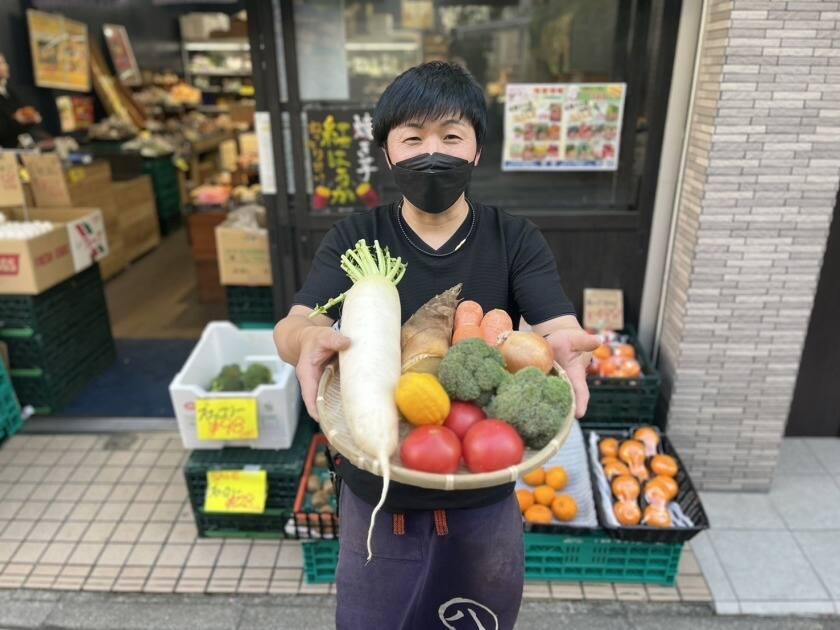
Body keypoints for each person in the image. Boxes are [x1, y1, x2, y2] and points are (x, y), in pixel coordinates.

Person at [274, 61, 601, 630]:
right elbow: (292, 325)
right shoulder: (357, 237)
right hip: (375, 487)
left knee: (477, 617)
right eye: (413, 138)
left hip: (482, 481)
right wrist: (305, 339)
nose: (433, 152)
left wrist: (566, 342)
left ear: (476, 151)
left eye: (451, 136)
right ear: (388, 152)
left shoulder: (513, 238)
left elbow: (554, 324)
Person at [0, 53, 44, 148]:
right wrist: (16, 120)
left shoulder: (9, 92)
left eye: (4, 62)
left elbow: (21, 126)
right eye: (1, 63)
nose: (6, 66)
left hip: (18, 148)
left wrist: (30, 119)